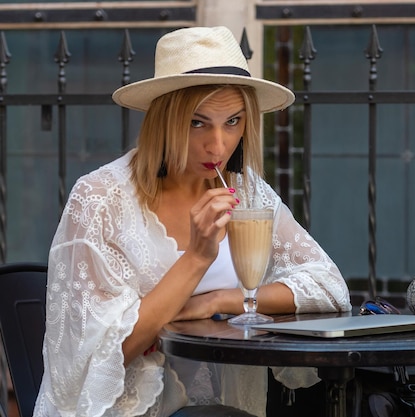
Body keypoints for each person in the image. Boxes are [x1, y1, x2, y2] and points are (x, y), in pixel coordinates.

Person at [34, 26, 352, 417]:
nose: (217, 145)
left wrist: (219, 300)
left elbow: (329, 287)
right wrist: (197, 258)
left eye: (233, 121)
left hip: (230, 408)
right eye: (197, 123)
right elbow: (94, 365)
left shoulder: (247, 193)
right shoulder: (100, 199)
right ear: (164, 120)